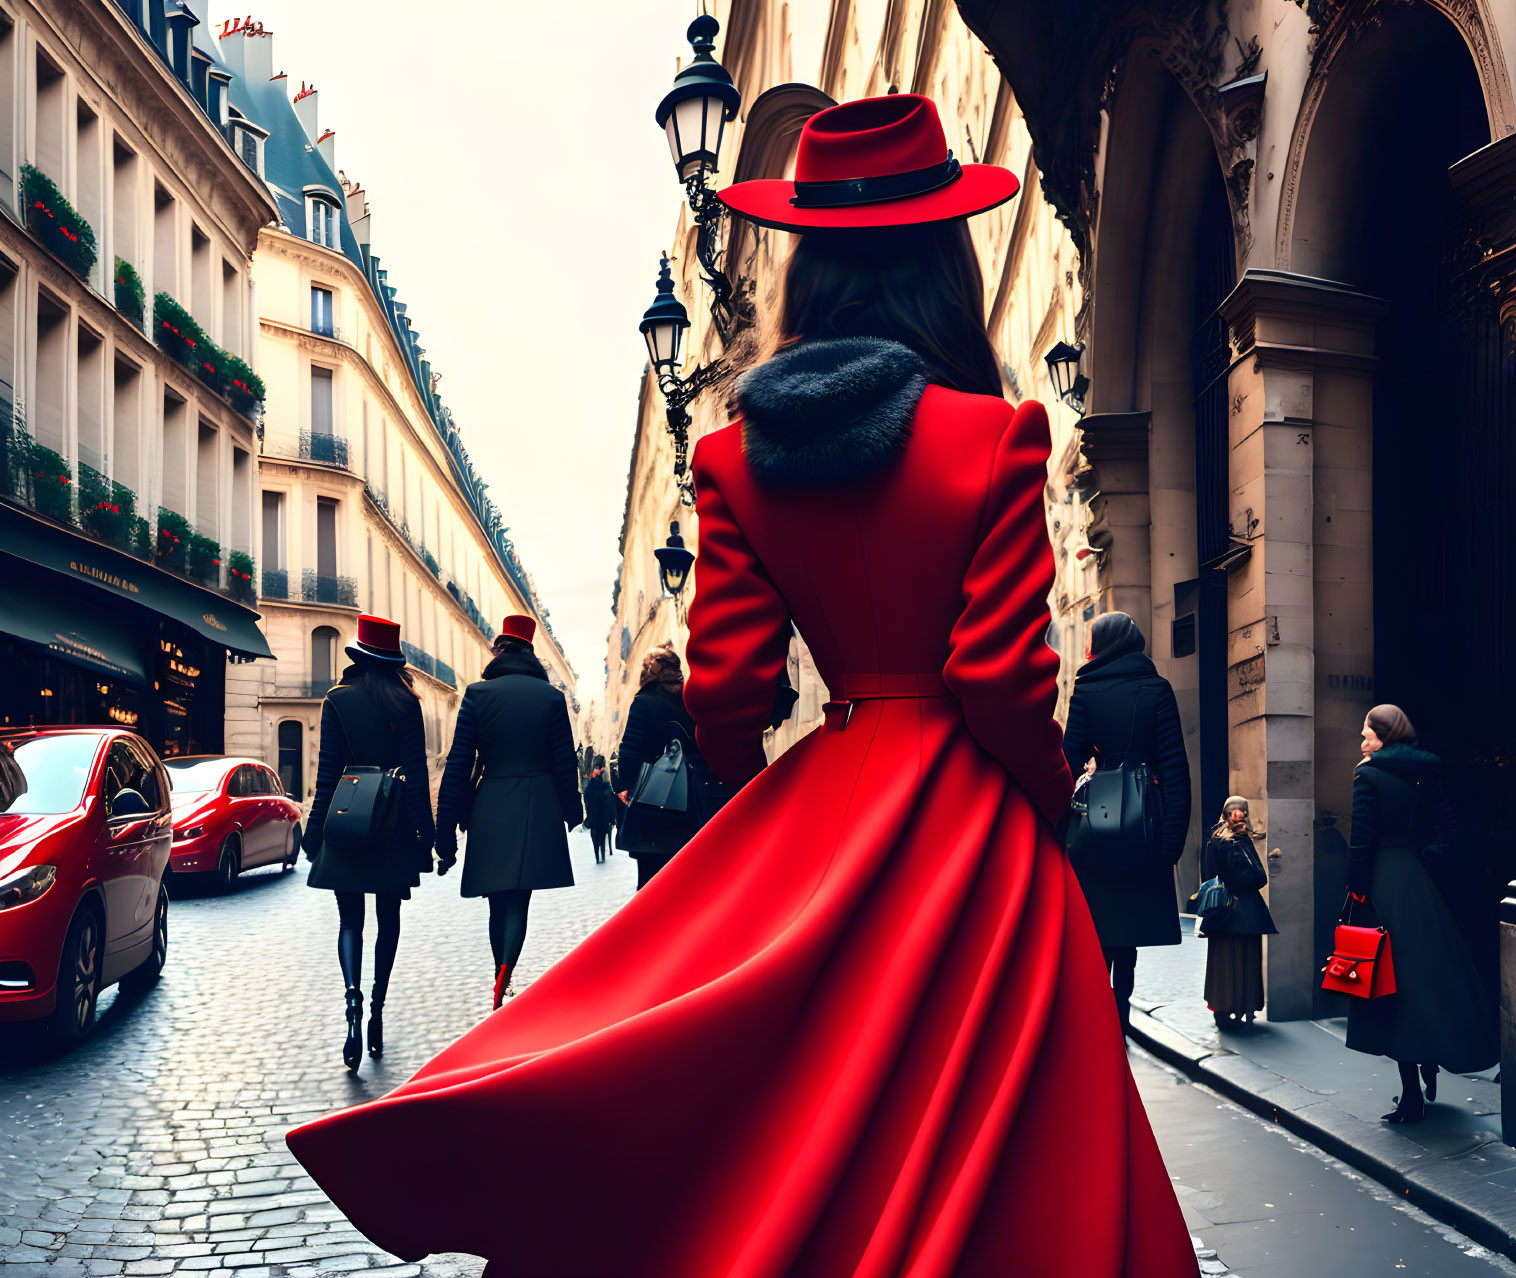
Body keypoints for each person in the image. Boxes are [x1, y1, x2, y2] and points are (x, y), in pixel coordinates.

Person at [287, 94, 1196, 1277]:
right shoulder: (995, 434)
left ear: (806, 263)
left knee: (800, 1110)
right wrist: (1045, 793)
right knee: (1017, 1133)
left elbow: (726, 687)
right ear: (942, 259)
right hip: (976, 836)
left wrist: (777, 805)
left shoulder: (733, 462)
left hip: (835, 789)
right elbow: (1000, 678)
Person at [1344, 703, 1498, 1123]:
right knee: (1429, 982)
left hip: (1383, 885)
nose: (1362, 742)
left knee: (1391, 989)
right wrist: (1425, 862)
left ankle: (1411, 1096)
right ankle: (1429, 1065)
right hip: (1419, 883)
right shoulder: (1426, 772)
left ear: (1385, 737)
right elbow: (1448, 828)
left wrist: (1356, 891)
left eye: (1368, 734)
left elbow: (1361, 842)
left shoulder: (1367, 775)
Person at [302, 614, 434, 1072]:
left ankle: (352, 1004)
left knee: (349, 920)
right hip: (394, 825)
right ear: (393, 657)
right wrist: (428, 837)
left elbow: (326, 779)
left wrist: (313, 831)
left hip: (348, 820)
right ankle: (378, 1009)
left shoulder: (337, 700)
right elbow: (416, 777)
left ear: (358, 653)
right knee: (389, 919)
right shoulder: (406, 702)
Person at [435, 614, 583, 1009]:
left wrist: (444, 830)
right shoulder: (551, 698)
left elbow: (459, 763)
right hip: (537, 803)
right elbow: (564, 761)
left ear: (499, 649)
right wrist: (573, 810)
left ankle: (497, 971)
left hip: (490, 804)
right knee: (519, 899)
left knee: (496, 900)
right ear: (531, 652)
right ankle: (506, 973)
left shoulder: (477, 694)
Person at [1060, 611, 1192, 1036]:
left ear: (1101, 644)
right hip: (1144, 824)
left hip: (1097, 828)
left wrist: (1087, 788)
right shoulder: (1156, 689)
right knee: (1129, 935)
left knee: (1099, 932)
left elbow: (1067, 760)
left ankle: (1098, 1029)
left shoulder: (1085, 690)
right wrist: (1172, 842)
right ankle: (1121, 1018)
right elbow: (1174, 767)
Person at [616, 646, 719, 889]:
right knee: (684, 876)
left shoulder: (644, 703)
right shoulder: (688, 704)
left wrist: (627, 786)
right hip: (690, 802)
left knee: (651, 879)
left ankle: (653, 923)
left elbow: (629, 750)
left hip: (653, 802)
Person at [1199, 796, 1277, 1031]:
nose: (1240, 816)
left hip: (1220, 911)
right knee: (1243, 959)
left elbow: (1210, 873)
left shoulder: (1214, 837)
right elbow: (1256, 877)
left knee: (1223, 962)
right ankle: (1241, 1008)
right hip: (1241, 911)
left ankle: (1223, 1009)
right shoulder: (1235, 840)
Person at [582, 755, 616, 863]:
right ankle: (601, 854)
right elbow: (610, 801)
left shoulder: (591, 784)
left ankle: (598, 855)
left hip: (595, 815)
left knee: (596, 834)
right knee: (600, 834)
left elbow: (587, 801)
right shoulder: (604, 783)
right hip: (602, 815)